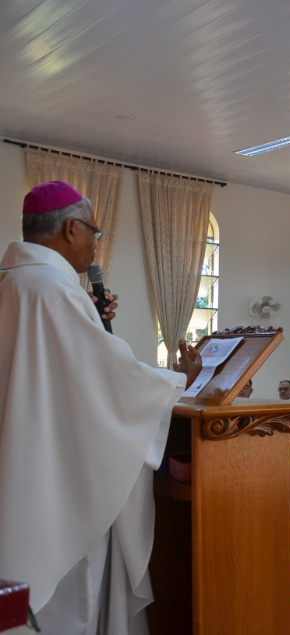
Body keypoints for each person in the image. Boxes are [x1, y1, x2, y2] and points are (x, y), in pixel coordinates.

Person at [0, 181, 203, 634]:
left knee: (19, 584)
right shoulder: (52, 288)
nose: (95, 244)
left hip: (21, 459)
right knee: (64, 600)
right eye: (94, 231)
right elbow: (109, 383)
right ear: (71, 228)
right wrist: (178, 382)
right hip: (58, 475)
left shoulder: (15, 282)